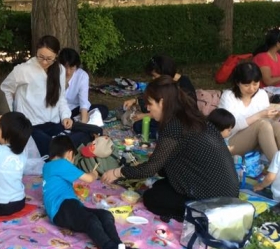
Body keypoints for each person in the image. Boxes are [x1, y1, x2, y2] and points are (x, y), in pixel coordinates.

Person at [102, 76, 239, 221]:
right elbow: (168, 161)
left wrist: (118, 172)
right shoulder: (189, 116)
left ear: (162, 102)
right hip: (226, 190)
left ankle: (198, 216)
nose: (147, 108)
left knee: (152, 198)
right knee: (160, 186)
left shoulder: (174, 126)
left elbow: (150, 169)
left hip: (214, 199)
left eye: (150, 104)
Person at [43, 135, 142, 249]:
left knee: (104, 214)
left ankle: (120, 248)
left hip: (66, 207)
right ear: (69, 154)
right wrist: (94, 173)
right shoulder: (61, 163)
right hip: (62, 208)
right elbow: (89, 179)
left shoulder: (48, 166)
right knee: (91, 220)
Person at [1, 35, 90, 157]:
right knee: (50, 147)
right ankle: (65, 152)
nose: (44, 62)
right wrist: (12, 116)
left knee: (83, 133)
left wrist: (65, 116)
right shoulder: (23, 70)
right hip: (31, 126)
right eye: (41, 57)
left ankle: (64, 151)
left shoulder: (60, 70)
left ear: (56, 56)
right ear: (36, 52)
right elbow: (5, 89)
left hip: (53, 123)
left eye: (49, 58)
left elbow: (61, 97)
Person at [123, 55, 197, 139]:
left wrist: (146, 116)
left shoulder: (183, 85)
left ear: (164, 73)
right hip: (165, 116)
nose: (153, 79)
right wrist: (135, 100)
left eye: (155, 76)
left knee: (150, 129)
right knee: (138, 125)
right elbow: (153, 99)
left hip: (179, 122)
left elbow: (173, 113)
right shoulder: (164, 84)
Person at [218, 62, 280, 161]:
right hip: (230, 142)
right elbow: (230, 128)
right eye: (246, 85)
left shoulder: (262, 94)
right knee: (261, 124)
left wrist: (275, 115)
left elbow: (268, 124)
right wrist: (259, 115)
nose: (252, 89)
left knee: (277, 126)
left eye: (255, 84)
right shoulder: (228, 96)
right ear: (238, 82)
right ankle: (277, 169)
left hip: (258, 139)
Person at [58, 48, 108, 123]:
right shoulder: (54, 74)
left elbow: (83, 101)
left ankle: (74, 122)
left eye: (71, 68)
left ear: (76, 66)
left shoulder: (82, 76)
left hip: (75, 109)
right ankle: (71, 122)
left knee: (103, 110)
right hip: (59, 110)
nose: (68, 72)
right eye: (65, 67)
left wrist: (83, 122)